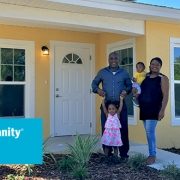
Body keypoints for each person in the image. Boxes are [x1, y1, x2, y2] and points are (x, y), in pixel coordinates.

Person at [91, 51, 132, 159]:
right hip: (107, 106)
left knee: (122, 129)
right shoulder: (102, 72)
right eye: (111, 58)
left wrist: (126, 91)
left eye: (115, 58)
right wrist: (98, 90)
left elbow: (129, 86)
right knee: (106, 130)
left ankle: (123, 154)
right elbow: (94, 84)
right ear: (108, 60)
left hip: (120, 106)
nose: (113, 60)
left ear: (118, 60)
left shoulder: (124, 73)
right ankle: (107, 154)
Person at [138, 57, 169, 165]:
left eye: (157, 64)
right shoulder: (146, 77)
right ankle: (151, 153)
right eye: (152, 64)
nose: (154, 66)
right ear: (150, 65)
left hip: (154, 109)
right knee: (148, 132)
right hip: (144, 108)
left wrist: (162, 110)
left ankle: (152, 155)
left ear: (160, 66)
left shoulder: (163, 78)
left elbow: (165, 96)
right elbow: (141, 90)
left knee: (149, 131)